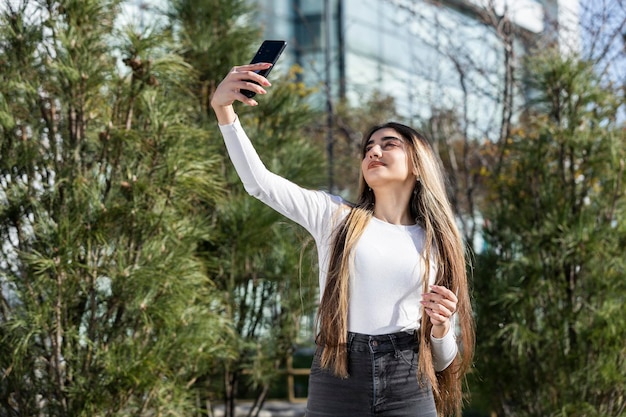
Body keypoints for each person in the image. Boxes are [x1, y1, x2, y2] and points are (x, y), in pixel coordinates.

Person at [211, 62, 475, 417]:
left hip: (408, 380)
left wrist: (442, 327)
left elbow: (443, 362)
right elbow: (260, 183)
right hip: (338, 373)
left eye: (388, 144)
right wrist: (224, 110)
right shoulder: (336, 218)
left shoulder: (436, 244)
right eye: (368, 147)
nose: (373, 151)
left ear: (417, 163)